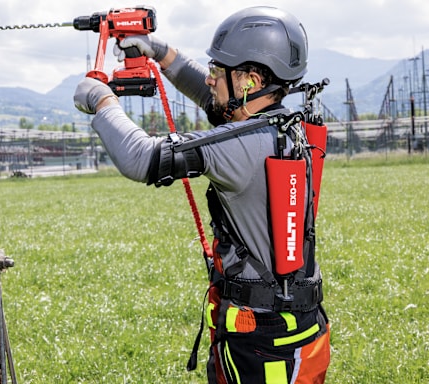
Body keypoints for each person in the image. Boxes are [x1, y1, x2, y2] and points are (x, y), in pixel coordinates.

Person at [74, 6, 330, 384]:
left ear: (250, 81)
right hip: (292, 330)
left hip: (259, 347)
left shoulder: (239, 144)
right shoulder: (289, 127)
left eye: (218, 71)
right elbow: (216, 104)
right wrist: (161, 52)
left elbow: (142, 158)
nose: (210, 80)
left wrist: (102, 101)